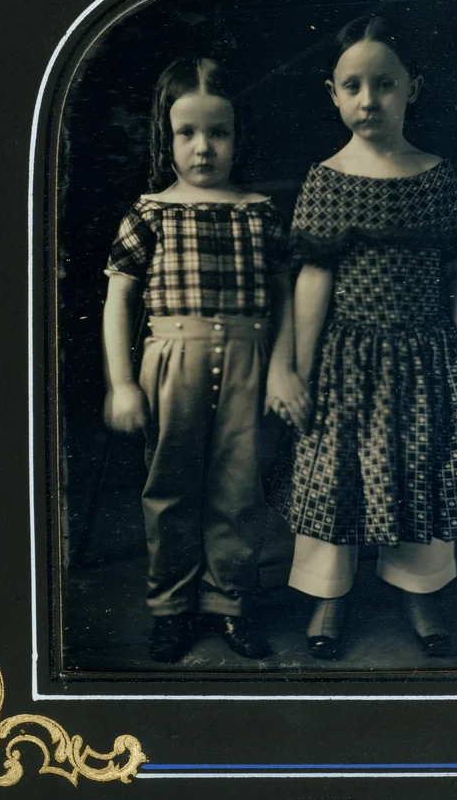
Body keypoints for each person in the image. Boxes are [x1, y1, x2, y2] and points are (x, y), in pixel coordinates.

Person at [277, 15, 457, 660]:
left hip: (425, 351)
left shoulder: (435, 175)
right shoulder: (326, 178)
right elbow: (313, 280)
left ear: (413, 88)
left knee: (425, 465)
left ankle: (420, 588)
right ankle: (330, 592)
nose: (367, 100)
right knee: (338, 472)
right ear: (332, 93)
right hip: (349, 356)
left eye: (384, 84)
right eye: (352, 86)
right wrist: (299, 368)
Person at [103, 56, 310, 663]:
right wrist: (121, 383)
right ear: (165, 137)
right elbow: (119, 296)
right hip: (171, 366)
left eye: (217, 132)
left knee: (239, 489)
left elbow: (284, 295)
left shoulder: (257, 212)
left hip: (249, 363)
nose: (202, 148)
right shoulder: (151, 212)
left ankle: (229, 605)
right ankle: (170, 608)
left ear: (238, 135)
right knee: (169, 489)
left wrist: (281, 366)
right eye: (187, 133)